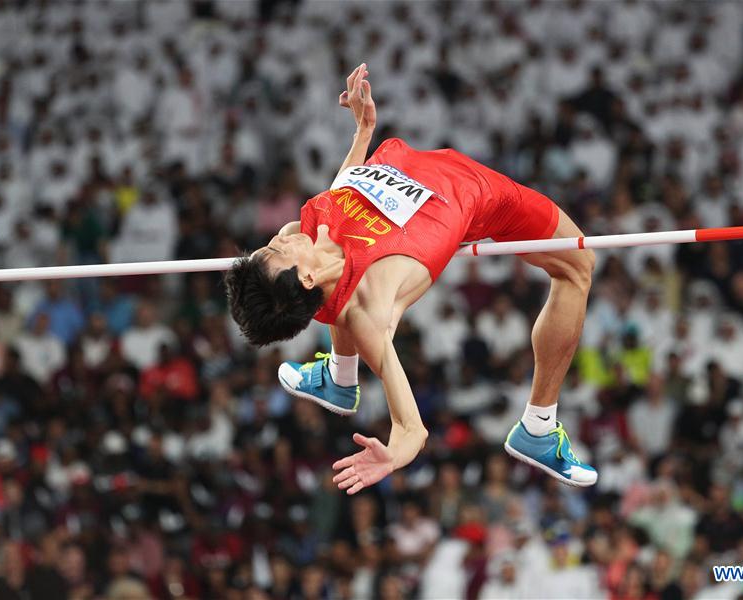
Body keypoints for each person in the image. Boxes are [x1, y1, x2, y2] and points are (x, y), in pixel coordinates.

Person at [225, 64, 597, 494]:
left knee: (327, 280)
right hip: (481, 196)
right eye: (275, 254)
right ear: (304, 277)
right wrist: (393, 455)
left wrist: (361, 134)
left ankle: (339, 380)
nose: (276, 239)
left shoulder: (304, 234)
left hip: (408, 164)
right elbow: (411, 429)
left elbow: (343, 194)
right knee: (577, 266)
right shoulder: (369, 311)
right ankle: (538, 428)